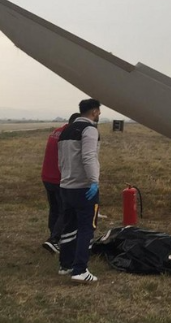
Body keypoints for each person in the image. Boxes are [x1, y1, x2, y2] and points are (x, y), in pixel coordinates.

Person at [57, 99, 101, 283]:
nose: (99, 114)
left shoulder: (65, 130)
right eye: (98, 111)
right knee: (86, 228)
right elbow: (89, 156)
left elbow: (61, 160)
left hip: (66, 186)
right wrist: (94, 181)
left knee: (68, 226)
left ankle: (65, 265)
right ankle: (80, 270)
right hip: (83, 188)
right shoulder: (89, 130)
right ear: (94, 111)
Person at [41, 113, 80, 254]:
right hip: (60, 178)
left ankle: (53, 236)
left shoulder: (56, 132)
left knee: (55, 208)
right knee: (66, 209)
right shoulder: (69, 135)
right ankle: (54, 240)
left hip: (47, 176)